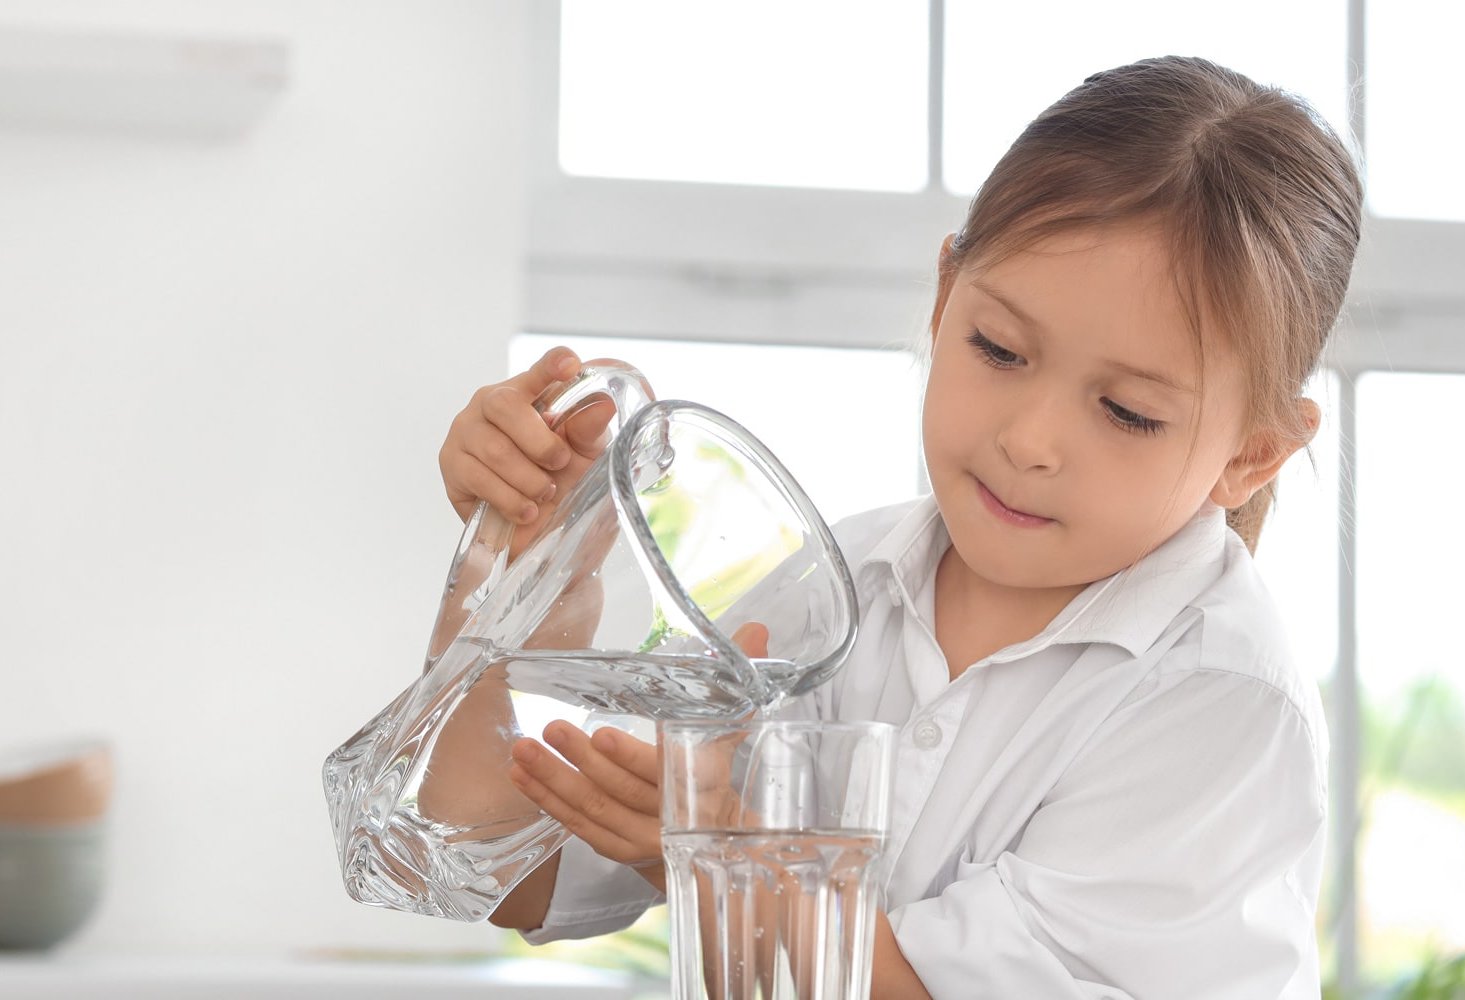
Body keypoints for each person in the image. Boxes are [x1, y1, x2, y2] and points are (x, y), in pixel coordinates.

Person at [435, 55, 1362, 998]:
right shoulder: (833, 585)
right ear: (942, 294)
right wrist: (521, 565)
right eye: (997, 349)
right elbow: (510, 868)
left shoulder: (1216, 697)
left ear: (1251, 454)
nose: (1029, 440)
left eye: (1126, 411)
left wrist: (719, 853)